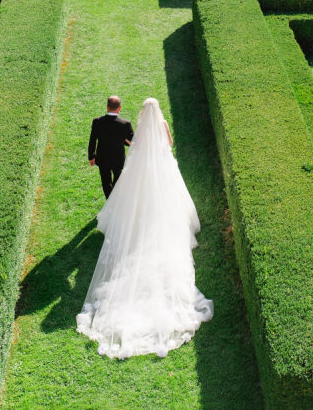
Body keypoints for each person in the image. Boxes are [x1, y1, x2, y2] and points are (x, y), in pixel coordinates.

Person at [77, 97, 213, 359]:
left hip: (143, 171)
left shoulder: (138, 125)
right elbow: (169, 144)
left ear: (143, 111)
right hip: (163, 169)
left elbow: (135, 146)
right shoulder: (161, 123)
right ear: (158, 111)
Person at [88, 95, 134, 199]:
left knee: (106, 182)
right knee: (118, 182)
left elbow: (92, 140)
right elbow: (131, 141)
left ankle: (109, 200)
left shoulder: (97, 121)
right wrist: (122, 140)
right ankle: (115, 201)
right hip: (118, 158)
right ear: (119, 108)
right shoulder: (125, 124)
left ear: (107, 107)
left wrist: (91, 156)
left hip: (102, 158)